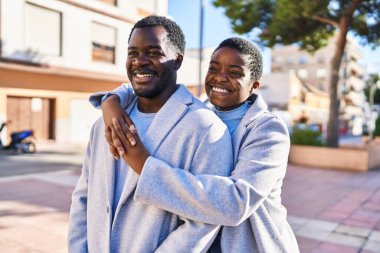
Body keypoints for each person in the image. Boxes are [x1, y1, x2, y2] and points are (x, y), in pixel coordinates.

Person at [92, 37, 299, 252]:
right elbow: (145, 86)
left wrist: (145, 167)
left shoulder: (267, 130)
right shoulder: (198, 115)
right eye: (213, 68)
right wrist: (111, 100)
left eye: (235, 73)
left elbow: (236, 202)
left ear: (255, 85)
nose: (220, 78)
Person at [68, 15, 233, 253]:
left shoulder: (206, 128)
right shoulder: (105, 122)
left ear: (177, 60)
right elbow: (83, 196)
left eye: (153, 52)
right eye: (132, 53)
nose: (139, 62)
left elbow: (204, 222)